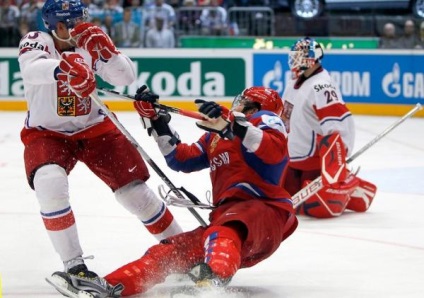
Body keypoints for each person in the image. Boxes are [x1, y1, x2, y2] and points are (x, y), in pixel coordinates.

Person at [17, 0, 182, 297]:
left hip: (95, 127)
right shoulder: (36, 40)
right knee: (49, 182)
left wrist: (108, 53)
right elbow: (31, 70)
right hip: (48, 132)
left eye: (83, 17)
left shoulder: (90, 38)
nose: (82, 24)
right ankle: (74, 266)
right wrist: (63, 68)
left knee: (135, 193)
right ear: (57, 25)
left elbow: (126, 78)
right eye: (75, 20)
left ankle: (183, 250)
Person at [103, 86, 298, 296]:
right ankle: (111, 285)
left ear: (254, 107)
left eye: (242, 101)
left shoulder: (265, 120)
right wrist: (157, 121)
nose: (236, 104)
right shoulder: (215, 137)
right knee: (172, 251)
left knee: (221, 233)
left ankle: (212, 281)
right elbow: (181, 159)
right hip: (227, 220)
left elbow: (274, 151)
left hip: (263, 212)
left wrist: (233, 126)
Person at [281, 37, 377, 218]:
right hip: (292, 158)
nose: (293, 62)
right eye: (293, 57)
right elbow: (285, 116)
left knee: (315, 208)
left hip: (313, 160)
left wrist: (335, 162)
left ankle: (350, 184)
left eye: (298, 57)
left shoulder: (322, 86)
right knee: (281, 199)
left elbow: (338, 124)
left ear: (312, 58)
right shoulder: (293, 82)